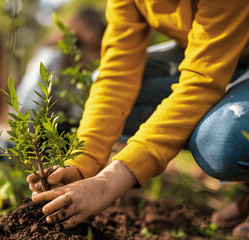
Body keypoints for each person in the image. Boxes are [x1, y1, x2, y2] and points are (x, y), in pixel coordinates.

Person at [27, 0, 249, 239]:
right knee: (99, 82)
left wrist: (108, 183)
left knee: (223, 142)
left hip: (225, 56)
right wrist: (82, 161)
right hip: (213, 50)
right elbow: (117, 75)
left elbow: (201, 81)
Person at [16, 8, 106, 124]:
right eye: (90, 48)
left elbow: (78, 116)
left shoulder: (89, 76)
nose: (95, 57)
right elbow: (28, 105)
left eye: (98, 50)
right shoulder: (50, 58)